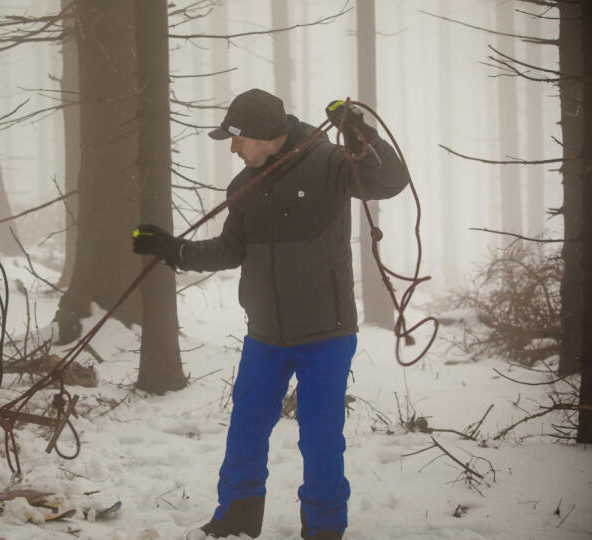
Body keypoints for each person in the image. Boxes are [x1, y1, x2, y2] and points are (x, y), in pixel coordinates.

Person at [132, 89, 407, 539]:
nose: (233, 147)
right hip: (265, 337)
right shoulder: (243, 187)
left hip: (326, 335)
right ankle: (238, 516)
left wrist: (358, 130)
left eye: (236, 138)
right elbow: (229, 249)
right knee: (245, 429)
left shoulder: (328, 164)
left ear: (261, 134)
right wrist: (174, 250)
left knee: (320, 443)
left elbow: (390, 181)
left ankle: (323, 528)